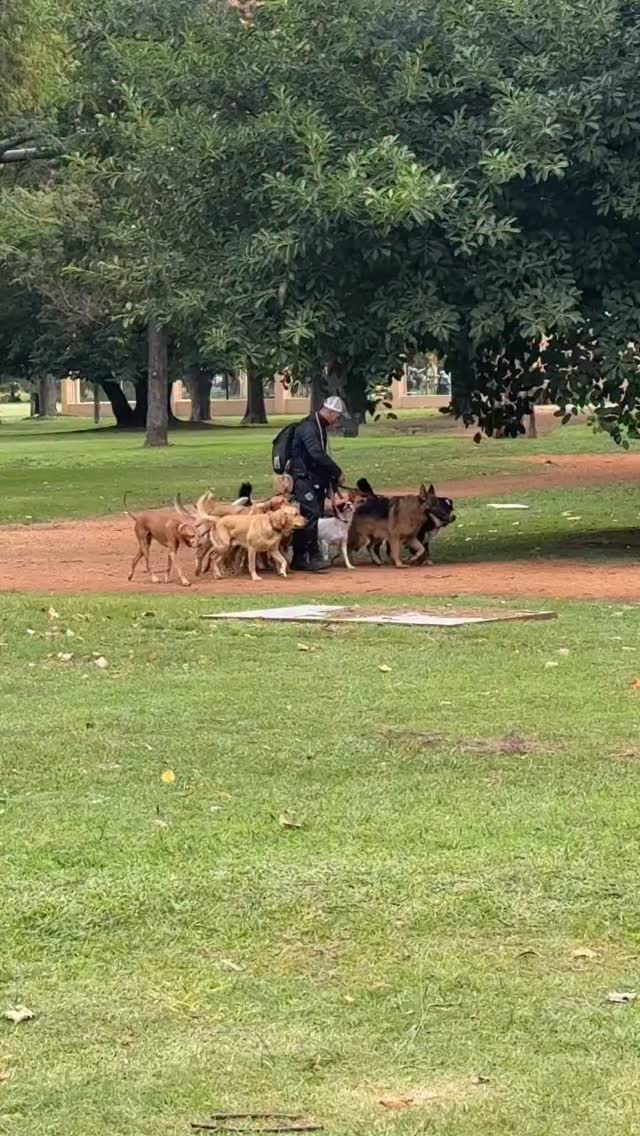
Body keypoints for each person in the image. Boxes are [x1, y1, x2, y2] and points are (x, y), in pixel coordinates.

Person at [289, 395, 347, 571]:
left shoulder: (318, 426)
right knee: (311, 514)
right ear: (330, 412)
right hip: (303, 479)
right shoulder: (309, 427)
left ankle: (300, 558)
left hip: (313, 479)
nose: (337, 421)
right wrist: (337, 471)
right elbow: (316, 454)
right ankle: (312, 556)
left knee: (309, 515)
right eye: (337, 416)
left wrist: (331, 481)